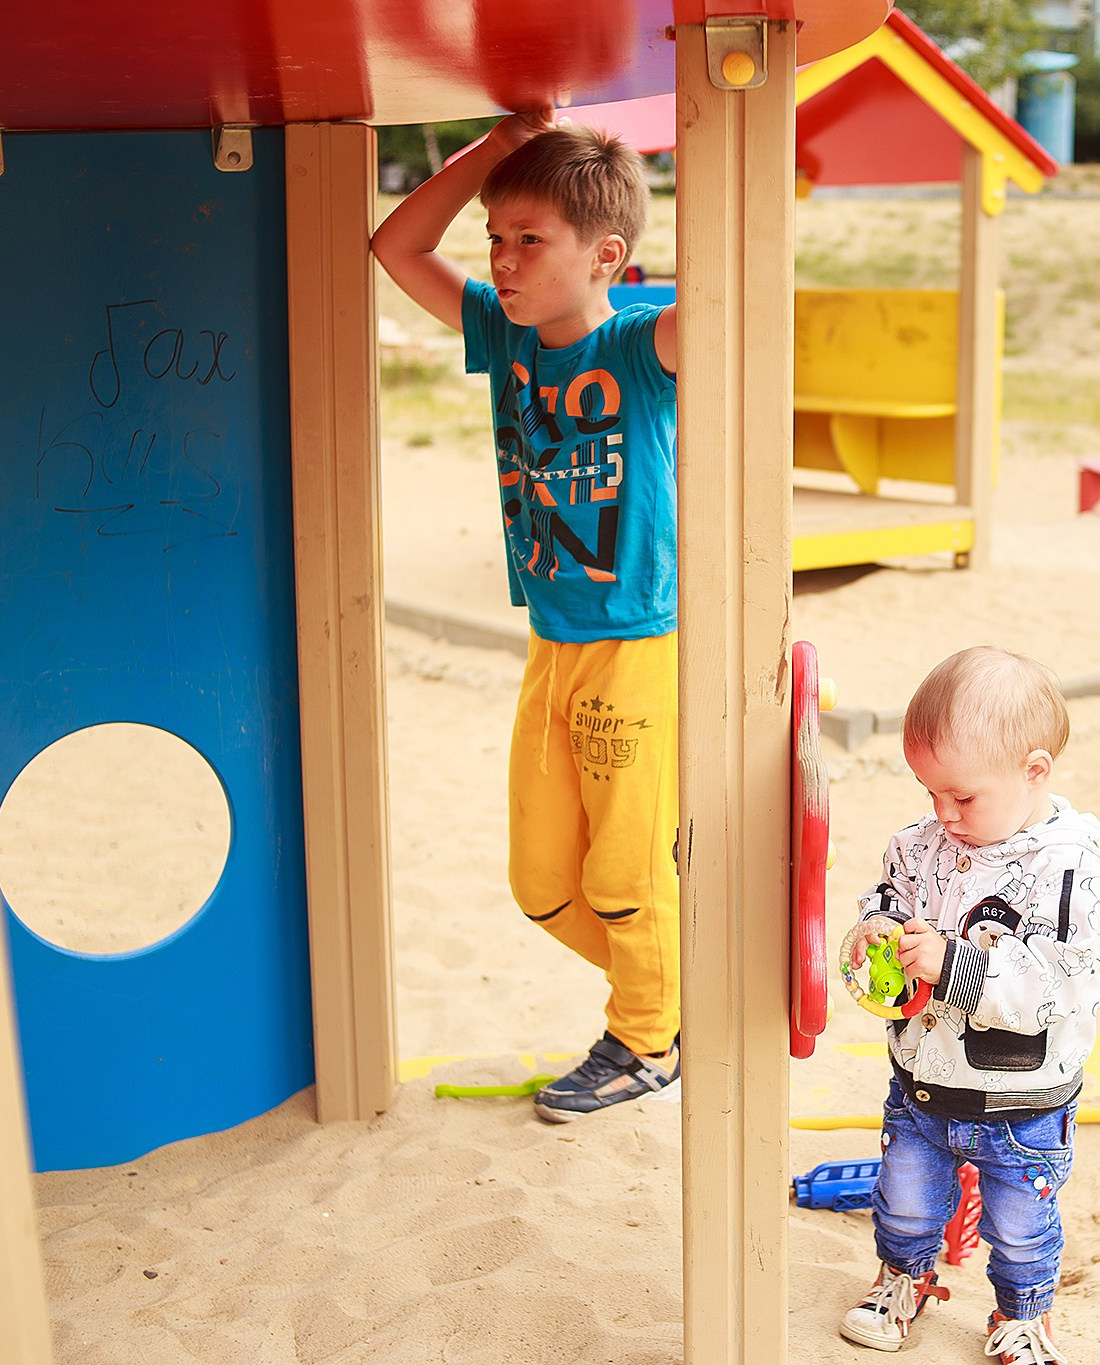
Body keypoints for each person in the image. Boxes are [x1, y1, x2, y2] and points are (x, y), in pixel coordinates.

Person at [371, 111, 682, 1122]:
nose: (501, 259)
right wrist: (494, 152)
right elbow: (396, 247)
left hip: (638, 644)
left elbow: (737, 291)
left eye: (530, 239)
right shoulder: (503, 334)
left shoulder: (642, 343)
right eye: (495, 237)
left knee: (625, 874)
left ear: (607, 256)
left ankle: (647, 1034)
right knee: (544, 884)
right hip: (553, 644)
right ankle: (680, 989)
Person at [840, 647, 1100, 1365]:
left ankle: (1023, 1316)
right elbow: (890, 897)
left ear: (1034, 771)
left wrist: (954, 965)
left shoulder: (1068, 862)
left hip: (1023, 1098)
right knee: (904, 1199)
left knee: (1020, 1227)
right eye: (930, 792)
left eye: (962, 797)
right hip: (924, 1082)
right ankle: (903, 1279)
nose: (943, 814)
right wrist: (878, 926)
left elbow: (1060, 981)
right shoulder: (919, 844)